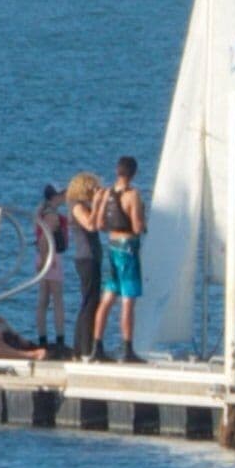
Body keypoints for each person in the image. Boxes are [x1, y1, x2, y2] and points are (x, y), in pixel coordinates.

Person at [93, 154, 149, 361]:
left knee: (107, 298)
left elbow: (100, 224)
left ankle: (97, 346)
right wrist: (143, 223)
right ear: (133, 173)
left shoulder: (107, 192)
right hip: (128, 247)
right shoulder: (132, 195)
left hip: (112, 246)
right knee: (127, 300)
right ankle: (127, 349)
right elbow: (137, 226)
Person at [61, 171, 105, 354]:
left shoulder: (82, 206)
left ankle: (81, 348)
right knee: (89, 303)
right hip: (86, 258)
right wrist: (98, 204)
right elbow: (90, 225)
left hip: (91, 257)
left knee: (91, 301)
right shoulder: (77, 206)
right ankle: (85, 348)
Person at [29, 182, 75, 351]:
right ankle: (60, 339)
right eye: (62, 195)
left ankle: (42, 338)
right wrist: (46, 258)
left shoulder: (41, 211)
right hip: (51, 256)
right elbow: (44, 238)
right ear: (55, 196)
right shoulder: (52, 216)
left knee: (43, 299)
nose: (64, 197)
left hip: (43, 256)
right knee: (57, 300)